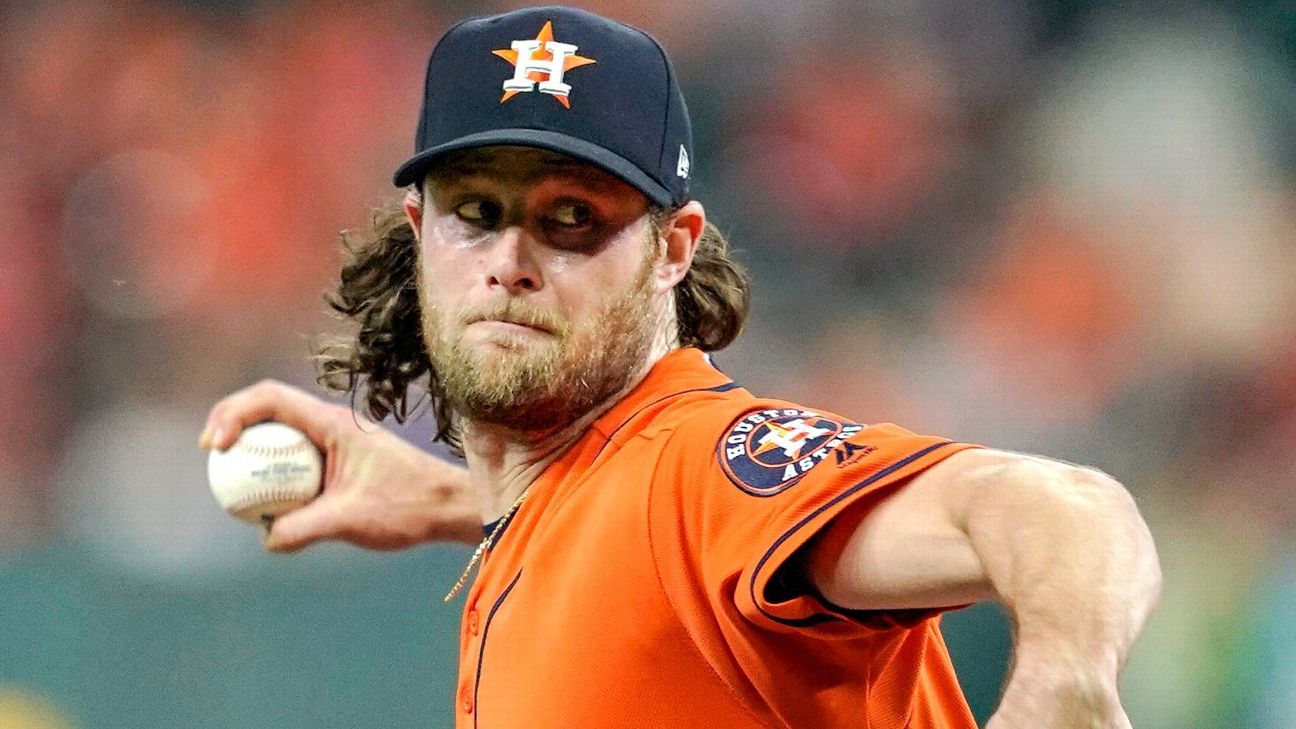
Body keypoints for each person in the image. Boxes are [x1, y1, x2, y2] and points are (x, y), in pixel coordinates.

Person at [199, 6, 1160, 728]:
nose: (512, 259)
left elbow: (1059, 505)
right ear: (419, 232)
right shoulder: (571, 509)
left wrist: (1066, 675)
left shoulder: (699, 468)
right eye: (476, 211)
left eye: (572, 217)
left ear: (672, 249)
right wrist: (465, 504)